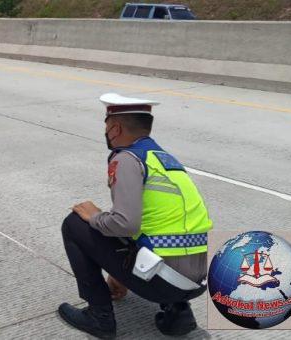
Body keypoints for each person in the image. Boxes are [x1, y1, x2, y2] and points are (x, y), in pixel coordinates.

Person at [58, 93, 212, 339]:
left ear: (116, 128)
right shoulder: (165, 160)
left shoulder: (126, 159)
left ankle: (99, 317)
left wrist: (95, 217)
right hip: (197, 281)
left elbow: (125, 224)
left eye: (107, 126)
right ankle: (178, 313)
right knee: (157, 231)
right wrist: (119, 271)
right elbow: (151, 224)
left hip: (164, 281)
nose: (107, 132)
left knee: (75, 223)